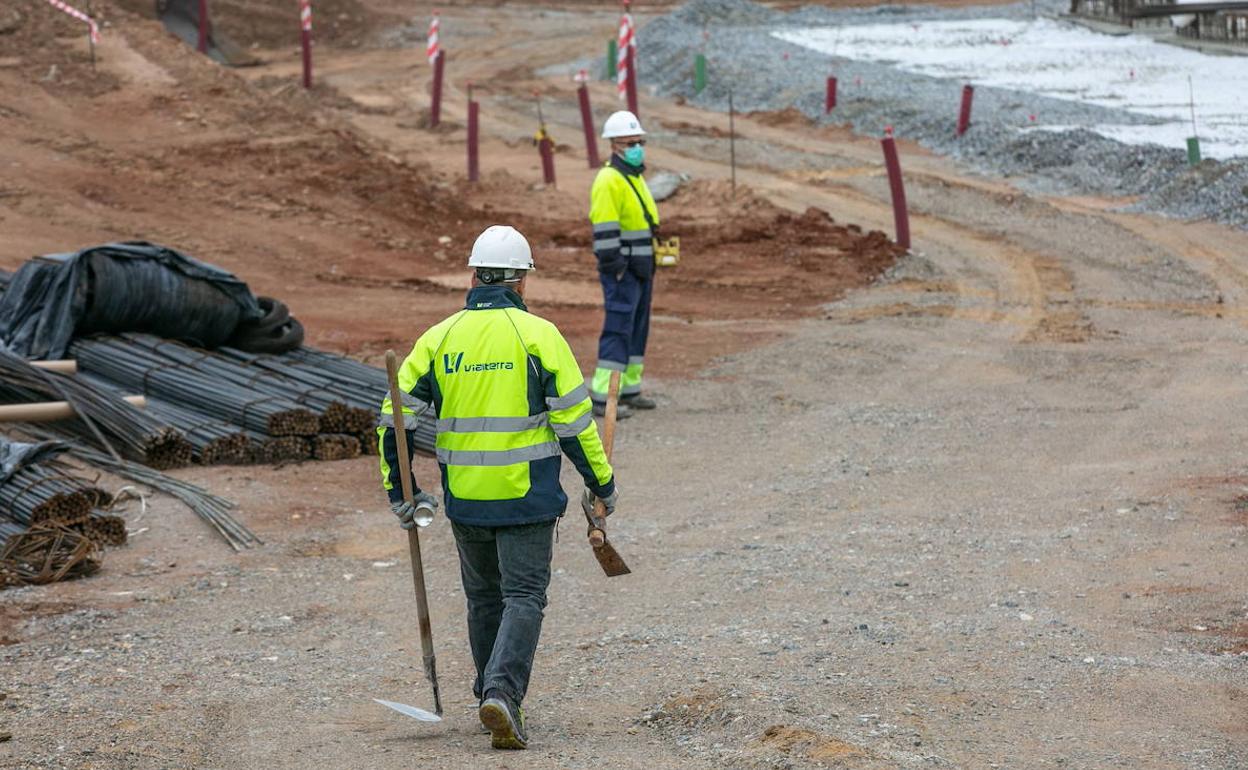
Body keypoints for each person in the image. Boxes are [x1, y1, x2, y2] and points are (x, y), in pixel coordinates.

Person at [378, 225, 619, 750]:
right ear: (521, 281)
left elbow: (394, 421)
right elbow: (574, 424)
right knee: (524, 596)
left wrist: (402, 493)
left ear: (474, 276)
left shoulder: (439, 339)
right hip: (526, 499)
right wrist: (600, 482)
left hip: (467, 502)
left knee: (484, 599)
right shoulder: (539, 337)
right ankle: (502, 695)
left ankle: (488, 691)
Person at [588, 109, 662, 418]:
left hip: (640, 268)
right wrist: (616, 267)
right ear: (614, 145)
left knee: (637, 329)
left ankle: (629, 389)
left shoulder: (633, 176)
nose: (637, 148)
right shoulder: (609, 179)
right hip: (623, 271)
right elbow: (605, 230)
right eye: (630, 143)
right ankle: (603, 397)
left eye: (639, 142)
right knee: (618, 329)